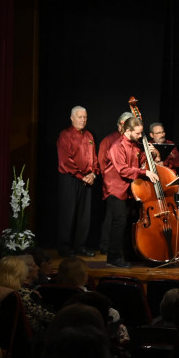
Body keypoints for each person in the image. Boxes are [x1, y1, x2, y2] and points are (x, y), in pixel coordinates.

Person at [102, 117, 161, 268]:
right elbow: (123, 170)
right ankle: (113, 258)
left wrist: (151, 154)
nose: (141, 136)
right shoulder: (117, 146)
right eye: (138, 133)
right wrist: (146, 173)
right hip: (115, 188)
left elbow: (141, 161)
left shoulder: (135, 145)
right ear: (127, 131)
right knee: (119, 222)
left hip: (129, 189)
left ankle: (128, 255)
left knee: (129, 223)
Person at [57, 105, 99, 258]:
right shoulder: (65, 135)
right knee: (68, 214)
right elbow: (65, 162)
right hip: (70, 179)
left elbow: (94, 158)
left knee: (84, 215)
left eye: (85, 117)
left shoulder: (89, 135)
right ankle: (64, 247)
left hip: (88, 179)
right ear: (72, 118)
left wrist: (93, 174)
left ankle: (80, 246)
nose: (83, 120)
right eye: (80, 117)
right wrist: (83, 177)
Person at [97, 111, 132, 255]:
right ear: (120, 125)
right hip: (114, 184)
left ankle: (119, 247)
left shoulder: (131, 141)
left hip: (127, 183)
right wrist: (110, 180)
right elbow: (102, 163)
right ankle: (106, 247)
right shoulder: (110, 140)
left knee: (121, 217)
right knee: (112, 216)